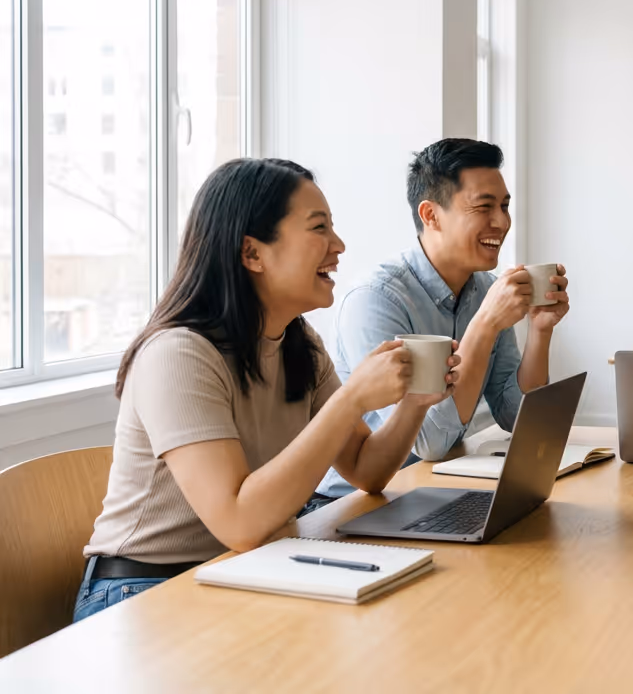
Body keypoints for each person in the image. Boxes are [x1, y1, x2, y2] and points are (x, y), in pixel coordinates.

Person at [75, 158, 459, 622]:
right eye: (319, 229)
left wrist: (415, 403)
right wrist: (352, 397)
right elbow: (238, 522)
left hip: (250, 568)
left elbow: (365, 471)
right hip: (144, 588)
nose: (338, 246)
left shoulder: (299, 343)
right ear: (252, 253)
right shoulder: (178, 354)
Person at [313, 139, 569, 502]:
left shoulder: (484, 290)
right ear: (431, 215)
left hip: (435, 488)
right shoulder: (375, 301)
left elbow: (518, 418)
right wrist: (484, 325)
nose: (502, 221)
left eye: (505, 206)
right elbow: (428, 443)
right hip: (350, 506)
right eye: (484, 207)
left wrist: (541, 331)